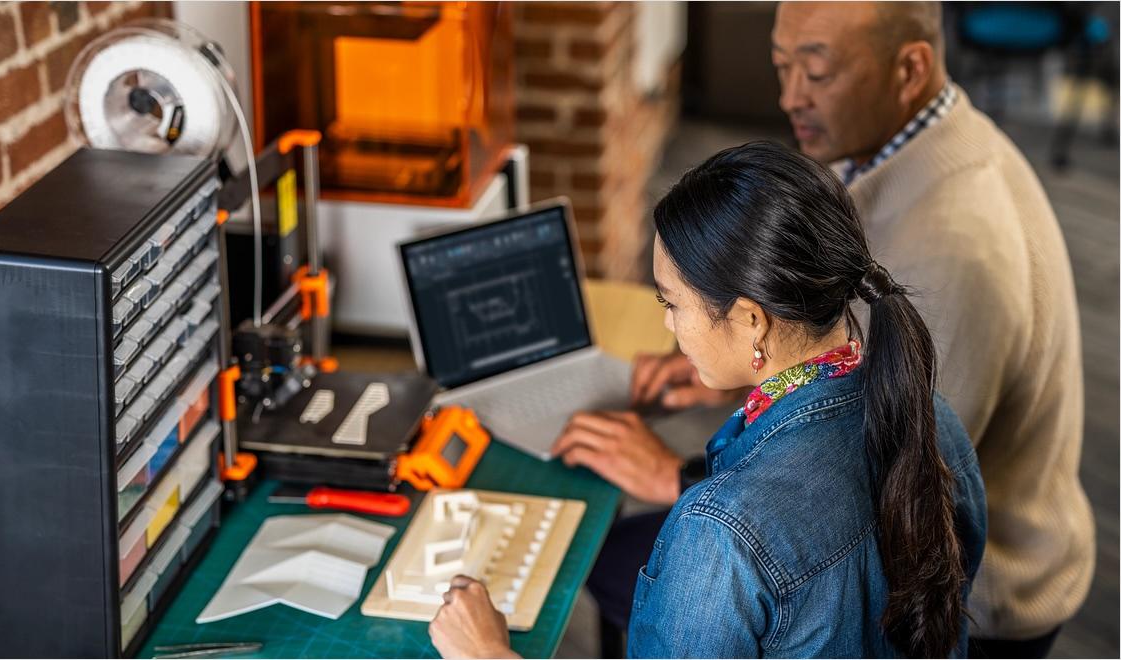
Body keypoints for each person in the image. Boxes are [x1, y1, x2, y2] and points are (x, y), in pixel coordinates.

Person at [565, 3, 1094, 657]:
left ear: (910, 68)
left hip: (986, 606)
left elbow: (860, 493)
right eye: (781, 65)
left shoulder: (955, 253)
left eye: (816, 73)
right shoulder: (894, 148)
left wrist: (681, 483)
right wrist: (749, 368)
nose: (790, 96)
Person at [428, 141, 987, 658]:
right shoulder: (931, 420)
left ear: (751, 320)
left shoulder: (719, 534)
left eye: (671, 303)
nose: (668, 326)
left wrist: (488, 654)